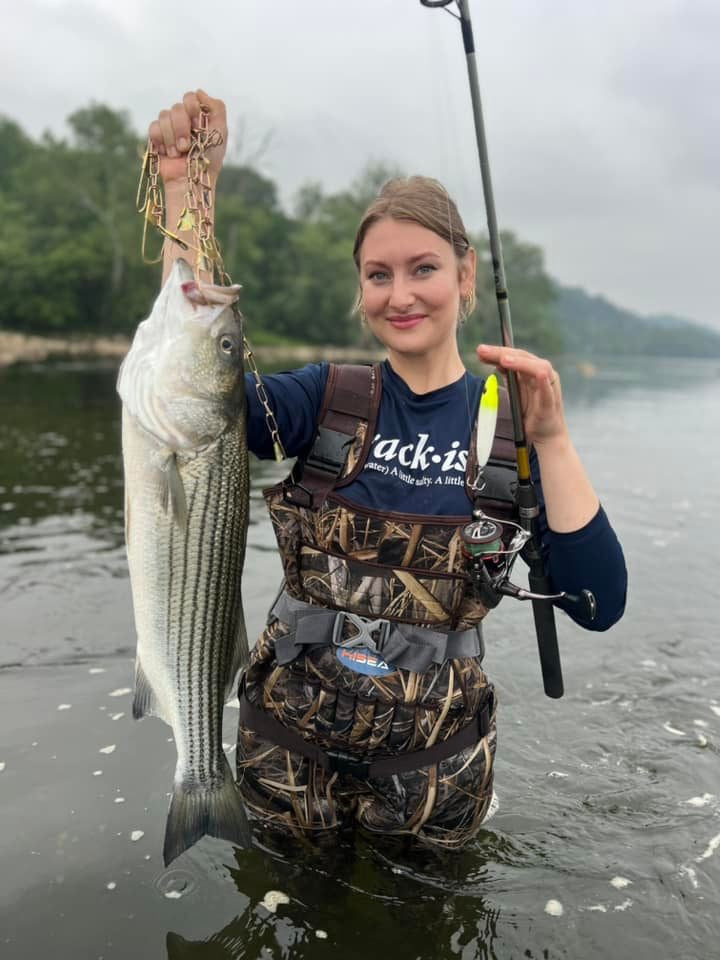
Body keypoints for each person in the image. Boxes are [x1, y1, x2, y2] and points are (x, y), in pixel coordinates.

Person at [149, 90, 627, 848]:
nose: (399, 295)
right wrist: (188, 193)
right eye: (378, 275)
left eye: (423, 269)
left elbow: (599, 603)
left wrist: (556, 442)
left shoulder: (514, 427)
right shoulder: (321, 399)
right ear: (360, 289)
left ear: (466, 276)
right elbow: (189, 379)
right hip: (286, 753)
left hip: (437, 770)